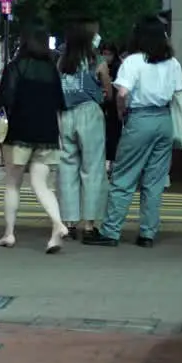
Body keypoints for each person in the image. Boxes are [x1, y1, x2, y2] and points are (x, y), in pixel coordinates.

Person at [85, 16, 182, 248]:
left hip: (140, 119)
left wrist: (122, 113)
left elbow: (121, 94)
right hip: (165, 120)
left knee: (124, 176)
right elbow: (179, 93)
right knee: (155, 180)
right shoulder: (173, 63)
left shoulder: (133, 61)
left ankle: (111, 232)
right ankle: (147, 234)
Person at [0, 22, 69, 253]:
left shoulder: (16, 67)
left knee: (13, 183)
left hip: (19, 132)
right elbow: (60, 105)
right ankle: (57, 225)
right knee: (42, 185)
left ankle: (9, 234)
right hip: (47, 134)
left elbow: (5, 98)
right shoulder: (52, 70)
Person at [57, 20, 111, 240]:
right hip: (89, 113)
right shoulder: (96, 61)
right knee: (93, 168)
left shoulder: (62, 62)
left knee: (67, 167)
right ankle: (89, 225)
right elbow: (107, 89)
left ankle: (68, 223)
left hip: (64, 114)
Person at [100, 41, 123, 167]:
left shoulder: (118, 67)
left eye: (109, 54)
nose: (106, 57)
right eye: (104, 54)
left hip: (114, 106)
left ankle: (112, 162)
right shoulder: (100, 67)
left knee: (114, 134)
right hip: (103, 105)